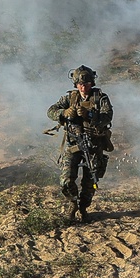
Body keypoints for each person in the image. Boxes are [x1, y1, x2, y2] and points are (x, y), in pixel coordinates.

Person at [46, 65, 114, 223]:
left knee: (90, 182)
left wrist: (90, 114)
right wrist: (63, 113)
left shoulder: (100, 98)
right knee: (66, 181)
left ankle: (83, 208)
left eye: (87, 84)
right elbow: (51, 111)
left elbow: (107, 116)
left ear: (92, 83)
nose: (84, 87)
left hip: (94, 146)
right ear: (76, 85)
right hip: (73, 144)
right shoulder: (69, 98)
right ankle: (73, 203)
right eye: (81, 84)